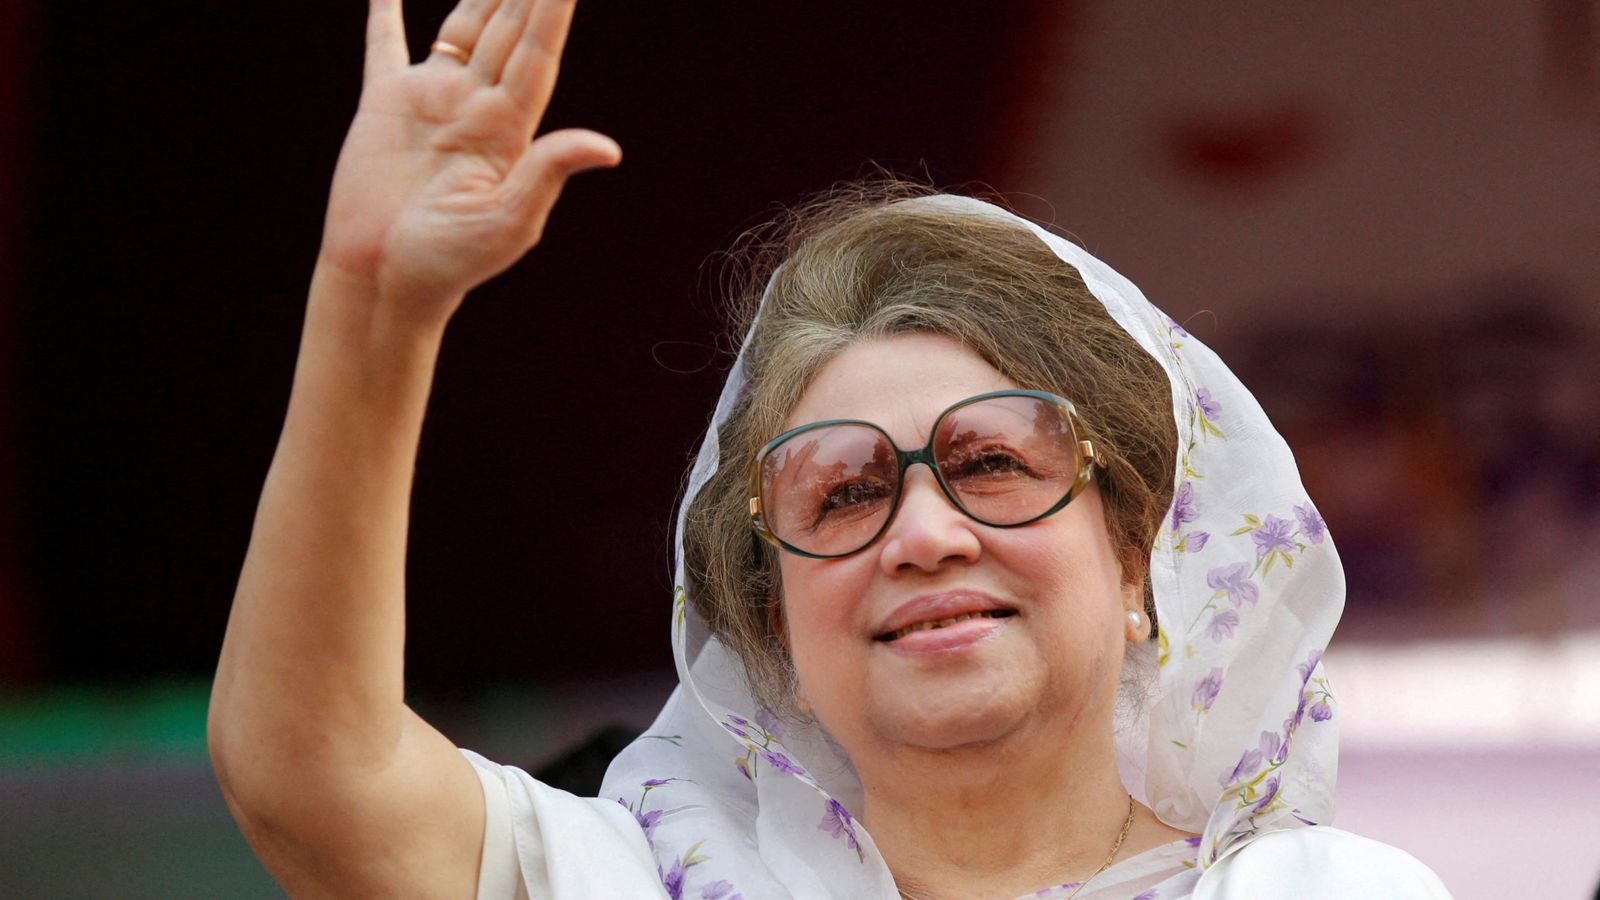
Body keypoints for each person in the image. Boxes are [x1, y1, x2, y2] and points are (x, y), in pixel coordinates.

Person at [206, 0, 1453, 897]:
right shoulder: (645, 876)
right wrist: (372, 308)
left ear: (1138, 561)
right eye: (844, 494)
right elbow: (312, 778)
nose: (924, 534)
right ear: (775, 627)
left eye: (992, 465)